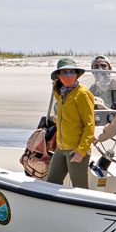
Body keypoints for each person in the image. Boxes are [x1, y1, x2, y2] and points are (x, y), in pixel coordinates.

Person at [44, 58, 95, 189]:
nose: (68, 75)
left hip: (76, 149)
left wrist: (81, 151)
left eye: (71, 72)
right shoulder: (61, 93)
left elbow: (89, 124)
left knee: (80, 188)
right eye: (64, 72)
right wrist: (55, 84)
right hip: (61, 148)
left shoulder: (82, 94)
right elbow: (56, 91)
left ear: (76, 74)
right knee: (51, 183)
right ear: (59, 76)